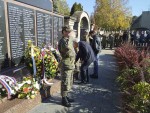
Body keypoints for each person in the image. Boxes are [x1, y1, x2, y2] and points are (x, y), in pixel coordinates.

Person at [58, 26, 75, 107]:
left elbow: (73, 50)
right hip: (66, 64)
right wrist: (71, 39)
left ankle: (66, 96)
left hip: (71, 64)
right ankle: (63, 99)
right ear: (63, 32)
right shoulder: (62, 41)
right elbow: (68, 51)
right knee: (65, 82)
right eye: (67, 31)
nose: (69, 33)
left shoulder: (68, 40)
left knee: (69, 81)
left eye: (69, 31)